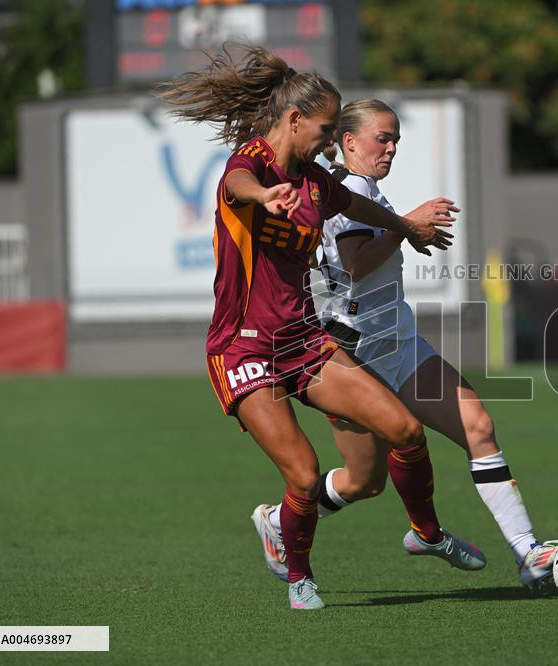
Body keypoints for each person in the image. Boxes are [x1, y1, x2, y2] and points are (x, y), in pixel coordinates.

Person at [156, 46, 481, 611]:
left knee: (404, 429)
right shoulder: (254, 162)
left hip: (305, 341)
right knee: (304, 475)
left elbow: (362, 209)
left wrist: (405, 225)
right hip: (242, 348)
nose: (330, 142)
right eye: (326, 130)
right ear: (295, 120)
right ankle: (299, 574)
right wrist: (263, 195)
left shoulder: (313, 180)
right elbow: (235, 183)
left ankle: (427, 534)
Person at [308, 99, 558, 592]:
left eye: (396, 137)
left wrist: (404, 228)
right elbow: (356, 263)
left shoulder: (366, 191)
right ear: (349, 141)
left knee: (478, 425)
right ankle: (282, 519)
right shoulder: (343, 190)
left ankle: (529, 554)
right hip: (352, 358)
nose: (393, 147)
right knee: (364, 481)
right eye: (383, 137)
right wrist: (406, 225)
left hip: (398, 344)